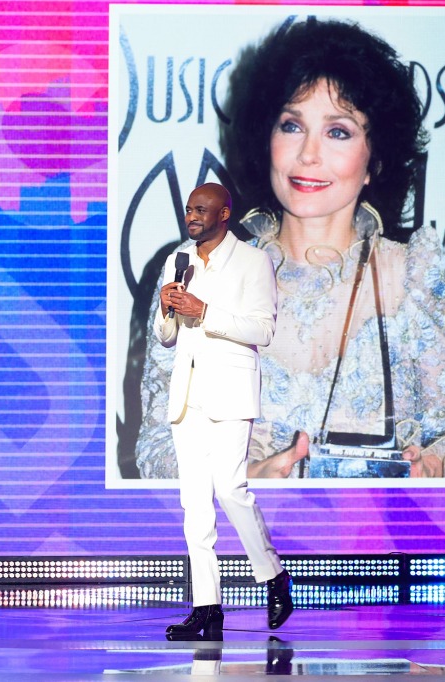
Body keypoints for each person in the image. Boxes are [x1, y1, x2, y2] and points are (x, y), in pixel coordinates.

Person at [137, 18, 445, 480]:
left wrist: (433, 468)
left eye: (338, 131)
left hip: (378, 545)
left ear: (374, 160)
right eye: (291, 125)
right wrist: (243, 479)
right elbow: (160, 444)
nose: (309, 155)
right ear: (267, 140)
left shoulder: (415, 275)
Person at [158, 182, 292, 638]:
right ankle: (207, 608)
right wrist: (165, 311)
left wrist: (204, 310)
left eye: (201, 209)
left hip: (230, 390)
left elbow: (263, 328)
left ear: (224, 214)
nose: (191, 215)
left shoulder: (254, 261)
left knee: (231, 490)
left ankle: (273, 575)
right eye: (188, 209)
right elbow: (167, 337)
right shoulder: (180, 260)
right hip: (188, 395)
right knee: (195, 505)